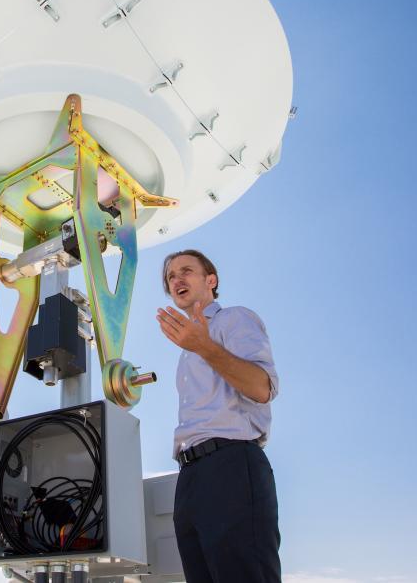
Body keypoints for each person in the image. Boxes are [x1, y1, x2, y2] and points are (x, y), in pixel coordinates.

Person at [155, 249, 280, 583]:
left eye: (186, 271)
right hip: (191, 476)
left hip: (231, 465)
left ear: (211, 281)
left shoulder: (233, 319)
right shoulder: (187, 351)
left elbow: (261, 387)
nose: (177, 279)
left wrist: (204, 346)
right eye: (171, 277)